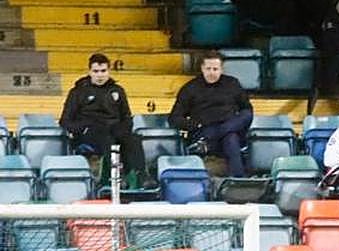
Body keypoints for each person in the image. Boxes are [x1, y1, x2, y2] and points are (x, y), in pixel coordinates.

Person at [59, 53, 147, 187]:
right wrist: (84, 127)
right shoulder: (78, 92)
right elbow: (65, 121)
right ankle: (114, 177)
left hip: (114, 128)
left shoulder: (118, 90)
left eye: (103, 71)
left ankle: (142, 176)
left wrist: (123, 129)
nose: (100, 75)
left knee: (133, 139)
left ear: (108, 71)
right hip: (89, 131)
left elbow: (127, 117)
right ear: (89, 72)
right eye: (96, 71)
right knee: (106, 139)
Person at [168, 51, 254, 177]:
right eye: (208, 69)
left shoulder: (232, 84)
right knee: (230, 138)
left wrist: (225, 128)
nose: (212, 72)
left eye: (215, 69)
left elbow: (246, 109)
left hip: (227, 127)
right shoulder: (190, 88)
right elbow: (174, 118)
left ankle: (220, 133)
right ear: (202, 68)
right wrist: (195, 125)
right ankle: (238, 178)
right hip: (205, 130)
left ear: (221, 69)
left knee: (243, 118)